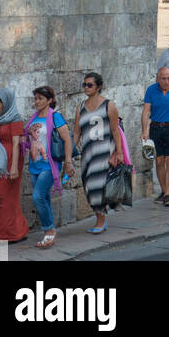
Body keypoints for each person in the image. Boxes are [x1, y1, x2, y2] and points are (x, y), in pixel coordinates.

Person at [23, 86, 75, 249]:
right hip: (34, 165)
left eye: (40, 98)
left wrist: (67, 162)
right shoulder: (34, 118)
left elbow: (67, 140)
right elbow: (28, 140)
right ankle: (49, 231)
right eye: (35, 98)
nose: (36, 102)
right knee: (43, 198)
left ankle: (49, 230)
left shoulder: (56, 117)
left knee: (37, 197)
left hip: (49, 165)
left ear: (50, 100)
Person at [73, 72, 123, 235]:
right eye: (84, 85)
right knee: (89, 186)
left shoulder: (109, 105)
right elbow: (76, 132)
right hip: (88, 154)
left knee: (100, 186)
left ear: (98, 87)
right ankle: (101, 217)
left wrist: (119, 152)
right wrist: (70, 153)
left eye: (90, 85)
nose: (86, 88)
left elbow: (116, 130)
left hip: (104, 152)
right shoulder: (80, 107)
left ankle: (100, 220)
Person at [0, 89, 28, 244]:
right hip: (3, 162)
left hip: (12, 161)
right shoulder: (0, 118)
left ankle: (2, 235)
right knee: (10, 198)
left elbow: (16, 144)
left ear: (6, 103)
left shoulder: (15, 119)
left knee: (1, 197)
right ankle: (18, 231)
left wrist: (14, 167)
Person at [141, 66, 169, 207]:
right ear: (158, 78)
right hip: (156, 127)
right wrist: (144, 130)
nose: (167, 81)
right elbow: (146, 111)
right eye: (164, 78)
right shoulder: (151, 90)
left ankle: (167, 193)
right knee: (159, 161)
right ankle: (163, 191)